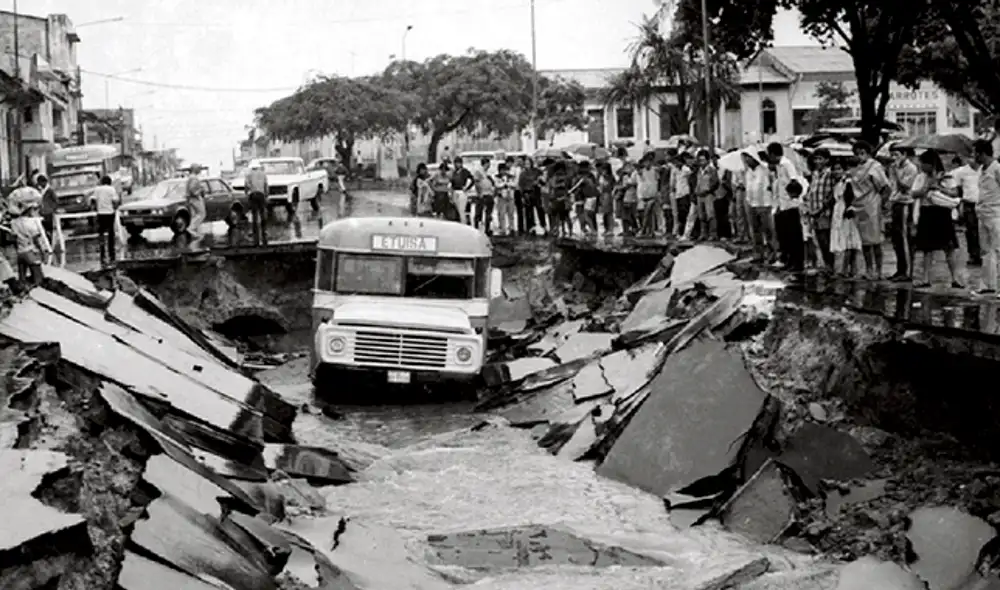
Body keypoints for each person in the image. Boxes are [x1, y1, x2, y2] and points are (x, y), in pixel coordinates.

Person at [913, 149, 963, 289]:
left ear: (931, 164)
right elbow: (914, 193)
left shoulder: (946, 177)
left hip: (941, 212)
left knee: (949, 247)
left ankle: (955, 278)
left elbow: (954, 193)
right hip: (927, 211)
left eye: (923, 163)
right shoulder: (921, 177)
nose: (921, 166)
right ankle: (925, 278)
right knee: (927, 248)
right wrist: (927, 186)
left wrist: (940, 187)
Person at [848, 141, 891, 280]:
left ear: (868, 153)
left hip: (872, 205)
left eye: (862, 153)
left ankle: (879, 270)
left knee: (876, 241)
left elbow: (885, 187)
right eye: (857, 153)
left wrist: (882, 204)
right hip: (859, 206)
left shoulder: (875, 166)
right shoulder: (854, 169)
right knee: (864, 242)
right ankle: (868, 269)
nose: (860, 156)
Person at [767, 142, 802, 269]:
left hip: (790, 205)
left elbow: (794, 181)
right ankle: (788, 261)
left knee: (794, 236)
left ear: (772, 154)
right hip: (781, 205)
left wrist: (790, 195)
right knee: (785, 236)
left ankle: (797, 263)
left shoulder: (786, 164)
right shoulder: (778, 167)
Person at [887, 146, 920, 281]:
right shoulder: (893, 168)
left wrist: (896, 174)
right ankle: (900, 269)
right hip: (896, 202)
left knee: (904, 237)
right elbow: (892, 186)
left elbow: (905, 187)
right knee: (896, 239)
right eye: (892, 155)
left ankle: (907, 271)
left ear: (904, 154)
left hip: (905, 203)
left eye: (896, 154)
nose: (894, 158)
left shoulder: (911, 168)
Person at [802, 148, 836, 270]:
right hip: (814, 210)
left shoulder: (830, 174)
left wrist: (822, 209)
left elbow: (832, 194)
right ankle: (826, 264)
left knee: (826, 240)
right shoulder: (815, 174)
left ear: (827, 160)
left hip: (825, 212)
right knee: (819, 240)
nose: (817, 161)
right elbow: (812, 191)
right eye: (816, 158)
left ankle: (830, 265)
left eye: (820, 159)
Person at [974, 139, 1000, 295]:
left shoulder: (997, 168)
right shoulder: (982, 170)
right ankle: (988, 285)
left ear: (982, 153)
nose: (974, 157)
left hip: (996, 214)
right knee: (986, 251)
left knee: (998, 250)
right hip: (983, 214)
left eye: (975, 153)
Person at [829, 160, 863, 277]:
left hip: (845, 211)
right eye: (834, 169)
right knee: (842, 240)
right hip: (838, 210)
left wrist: (848, 209)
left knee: (847, 241)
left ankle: (846, 269)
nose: (836, 171)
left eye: (839, 169)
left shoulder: (847, 182)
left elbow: (850, 196)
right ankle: (845, 269)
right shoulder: (838, 183)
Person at [9, 201, 52, 287]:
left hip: (20, 253)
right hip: (31, 252)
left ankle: (24, 290)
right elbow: (36, 239)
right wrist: (43, 252)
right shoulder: (31, 222)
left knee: (22, 279)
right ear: (29, 210)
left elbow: (13, 239)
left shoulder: (13, 223)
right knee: (38, 278)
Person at [743, 149, 775, 262]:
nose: (746, 160)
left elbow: (773, 183)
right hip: (751, 203)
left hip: (764, 203)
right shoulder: (747, 172)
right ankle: (758, 254)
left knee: (768, 230)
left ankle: (772, 254)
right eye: (745, 158)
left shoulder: (765, 169)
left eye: (748, 157)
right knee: (755, 230)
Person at [951, 154, 982, 267]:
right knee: (971, 230)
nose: (971, 159)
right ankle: (974, 255)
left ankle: (984, 254)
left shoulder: (985, 169)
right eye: (969, 157)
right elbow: (957, 189)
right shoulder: (961, 172)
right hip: (969, 203)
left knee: (983, 230)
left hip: (983, 203)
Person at [92, 175, 120, 265]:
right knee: (111, 231)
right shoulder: (111, 189)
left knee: (101, 231)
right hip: (110, 212)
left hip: (100, 213)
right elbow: (115, 200)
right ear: (110, 182)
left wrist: (95, 208)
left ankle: (102, 249)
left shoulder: (97, 189)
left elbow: (93, 200)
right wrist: (115, 208)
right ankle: (111, 251)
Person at [693, 150, 719, 240]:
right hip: (699, 194)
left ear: (708, 160)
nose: (701, 162)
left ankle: (713, 234)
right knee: (701, 215)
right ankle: (703, 233)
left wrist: (708, 190)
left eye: (703, 160)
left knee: (710, 215)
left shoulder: (712, 170)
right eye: (700, 160)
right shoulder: (699, 170)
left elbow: (715, 183)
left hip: (708, 194)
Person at [245, 160, 269, 245]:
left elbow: (247, 185)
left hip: (253, 195)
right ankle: (264, 230)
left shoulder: (249, 174)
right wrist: (266, 195)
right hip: (261, 195)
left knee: (254, 214)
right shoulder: (263, 174)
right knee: (263, 213)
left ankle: (255, 232)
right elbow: (266, 185)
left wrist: (247, 194)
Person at [519, 158, 544, 234]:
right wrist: (522, 195)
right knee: (529, 211)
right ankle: (531, 227)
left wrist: (538, 181)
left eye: (528, 163)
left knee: (539, 209)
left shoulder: (536, 171)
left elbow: (542, 178)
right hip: (527, 193)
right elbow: (521, 185)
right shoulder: (523, 173)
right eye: (526, 163)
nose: (527, 165)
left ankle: (543, 225)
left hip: (536, 192)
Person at [673, 152, 694, 239]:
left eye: (677, 162)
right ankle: (680, 232)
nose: (676, 163)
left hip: (685, 194)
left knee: (685, 214)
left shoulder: (686, 170)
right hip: (678, 194)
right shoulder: (676, 170)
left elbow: (690, 181)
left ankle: (687, 233)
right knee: (680, 215)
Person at [473, 157, 495, 233]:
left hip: (489, 194)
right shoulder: (479, 172)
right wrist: (479, 193)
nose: (489, 165)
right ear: (485, 164)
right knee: (479, 212)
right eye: (488, 164)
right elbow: (477, 183)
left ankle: (487, 229)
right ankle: (477, 229)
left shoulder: (488, 172)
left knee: (488, 213)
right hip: (482, 194)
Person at [493, 162, 516, 235]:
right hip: (501, 197)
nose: (503, 171)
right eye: (502, 170)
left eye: (505, 170)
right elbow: (497, 185)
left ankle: (512, 227)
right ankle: (503, 228)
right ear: (499, 170)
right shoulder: (497, 177)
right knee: (502, 214)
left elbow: (514, 185)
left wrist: (508, 184)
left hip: (510, 196)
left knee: (511, 213)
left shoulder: (511, 176)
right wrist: (504, 184)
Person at [450, 157, 474, 225]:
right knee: (457, 210)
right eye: (455, 163)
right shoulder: (454, 172)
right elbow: (452, 183)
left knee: (461, 210)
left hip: (462, 191)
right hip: (455, 191)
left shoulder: (464, 171)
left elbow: (472, 180)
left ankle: (464, 223)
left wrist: (467, 188)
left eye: (458, 163)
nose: (457, 165)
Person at [184, 164, 207, 234]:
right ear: (194, 169)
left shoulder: (190, 177)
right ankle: (191, 228)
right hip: (195, 199)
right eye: (198, 168)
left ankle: (194, 232)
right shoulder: (194, 178)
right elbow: (192, 190)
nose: (200, 170)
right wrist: (201, 189)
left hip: (190, 199)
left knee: (194, 216)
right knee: (202, 214)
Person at [597, 162, 616, 236]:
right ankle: (606, 229)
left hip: (608, 195)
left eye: (604, 169)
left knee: (608, 213)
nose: (603, 171)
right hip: (602, 195)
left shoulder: (610, 177)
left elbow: (612, 186)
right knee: (604, 213)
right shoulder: (601, 176)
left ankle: (610, 229)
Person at [36, 175, 57, 243]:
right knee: (43, 229)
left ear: (44, 182)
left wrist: (52, 209)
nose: (39, 185)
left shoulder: (50, 191)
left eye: (40, 183)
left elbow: (55, 201)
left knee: (49, 229)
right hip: (42, 212)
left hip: (48, 213)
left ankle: (50, 242)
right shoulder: (40, 190)